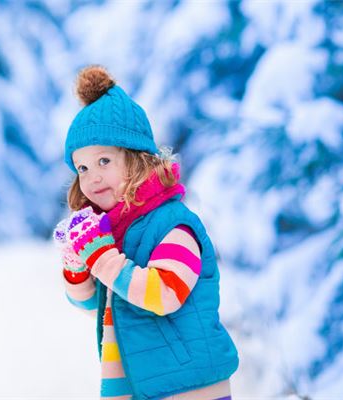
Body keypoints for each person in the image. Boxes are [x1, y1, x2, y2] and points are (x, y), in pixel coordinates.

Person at [53, 65, 239, 400]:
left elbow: (163, 294)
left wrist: (102, 258)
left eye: (104, 161)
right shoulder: (116, 230)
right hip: (138, 386)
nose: (92, 177)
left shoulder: (172, 224)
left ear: (138, 159)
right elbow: (83, 302)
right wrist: (78, 263)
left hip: (188, 388)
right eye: (82, 168)